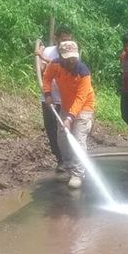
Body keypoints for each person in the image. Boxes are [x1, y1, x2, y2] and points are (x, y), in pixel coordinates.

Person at [38, 40, 96, 189]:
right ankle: (69, 166)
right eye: (68, 59)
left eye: (73, 58)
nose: (71, 62)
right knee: (62, 137)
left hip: (84, 107)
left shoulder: (83, 72)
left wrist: (70, 118)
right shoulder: (55, 65)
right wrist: (48, 94)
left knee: (77, 138)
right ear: (61, 57)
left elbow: (81, 98)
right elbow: (46, 77)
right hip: (66, 105)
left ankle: (77, 173)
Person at [36, 26, 73, 173]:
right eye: (63, 40)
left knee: (64, 131)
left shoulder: (71, 53)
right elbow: (42, 71)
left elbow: (64, 68)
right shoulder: (47, 50)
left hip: (65, 99)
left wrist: (43, 57)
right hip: (48, 97)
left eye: (69, 40)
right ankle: (60, 160)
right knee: (51, 131)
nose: (66, 43)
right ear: (57, 39)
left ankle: (70, 158)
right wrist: (40, 59)